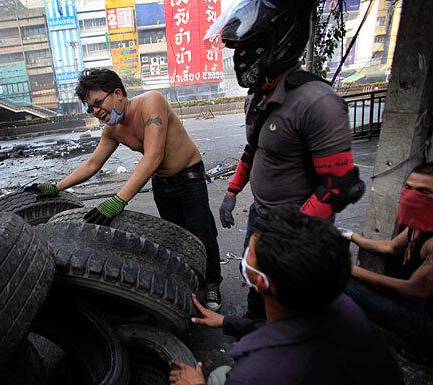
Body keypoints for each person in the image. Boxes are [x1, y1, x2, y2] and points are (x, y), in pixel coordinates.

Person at [204, 0, 365, 319]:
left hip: (298, 226)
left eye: (250, 47)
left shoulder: (317, 102)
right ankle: (254, 339)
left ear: (281, 42)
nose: (240, 57)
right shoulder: (259, 97)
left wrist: (287, 234)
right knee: (257, 287)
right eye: (237, 49)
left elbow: (339, 187)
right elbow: (254, 149)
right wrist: (231, 193)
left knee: (293, 301)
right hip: (261, 215)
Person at [29, 68, 223, 310]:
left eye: (98, 103)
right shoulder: (112, 129)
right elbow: (93, 163)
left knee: (202, 234)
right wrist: (56, 186)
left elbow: (153, 156)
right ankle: (191, 283)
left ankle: (213, 284)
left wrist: (118, 200)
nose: (96, 111)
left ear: (118, 93)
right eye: (90, 108)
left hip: (189, 176)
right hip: (161, 182)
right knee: (176, 236)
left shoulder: (152, 102)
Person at [169, 206, 404, 385]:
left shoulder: (253, 374)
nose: (245, 256)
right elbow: (291, 331)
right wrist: (227, 322)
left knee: (219, 375)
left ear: (261, 282)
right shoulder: (342, 305)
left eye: (250, 253)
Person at [340, 162, 433, 357]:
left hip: (426, 318)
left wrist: (347, 269)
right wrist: (350, 235)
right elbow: (390, 247)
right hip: (414, 302)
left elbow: (413, 289)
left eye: (424, 191)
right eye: (409, 188)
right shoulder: (420, 225)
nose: (413, 196)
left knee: (342, 283)